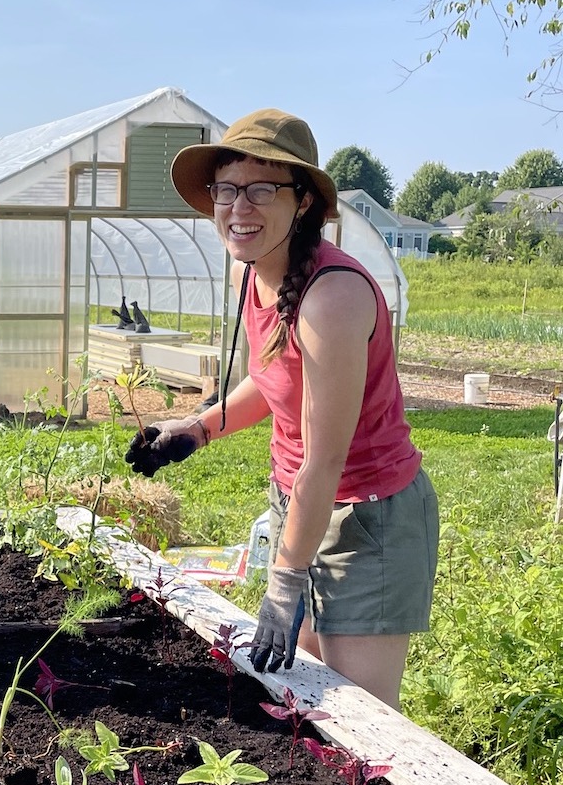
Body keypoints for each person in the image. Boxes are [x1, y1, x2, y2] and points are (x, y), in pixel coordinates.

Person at [125, 109, 438, 711]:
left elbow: (325, 462)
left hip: (366, 518)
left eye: (262, 189)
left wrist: (284, 580)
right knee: (310, 701)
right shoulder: (256, 277)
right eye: (227, 189)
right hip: (300, 504)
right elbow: (270, 383)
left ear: (301, 203)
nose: (239, 207)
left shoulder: (333, 297)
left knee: (361, 719)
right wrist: (197, 428)